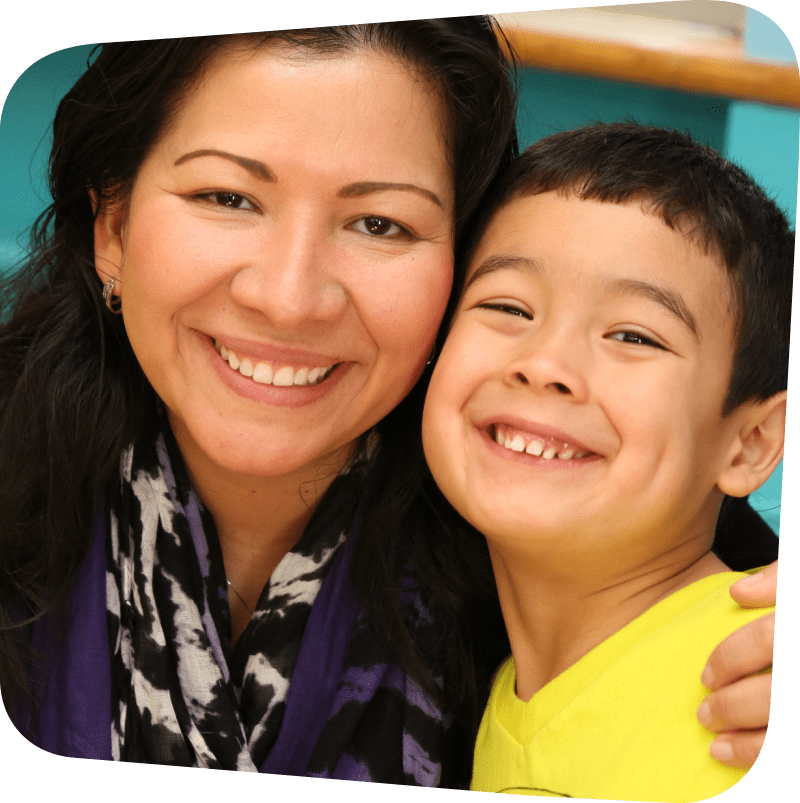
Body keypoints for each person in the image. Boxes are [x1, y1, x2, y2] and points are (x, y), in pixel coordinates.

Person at [0, 22, 776, 784]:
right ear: (114, 229)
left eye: (380, 223)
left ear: (458, 267)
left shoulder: (543, 517)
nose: (289, 297)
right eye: (227, 196)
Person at [421, 122, 790, 800]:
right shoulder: (486, 704)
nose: (545, 364)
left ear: (751, 444)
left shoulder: (763, 667)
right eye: (507, 305)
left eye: (632, 334)